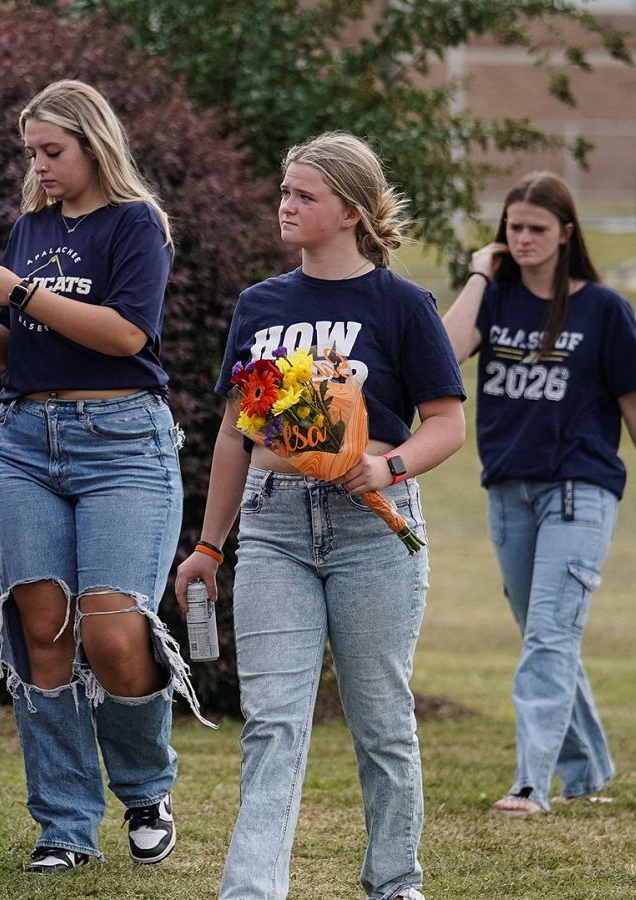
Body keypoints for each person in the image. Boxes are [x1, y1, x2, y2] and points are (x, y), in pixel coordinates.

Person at [174, 131, 465, 900]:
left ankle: (395, 881)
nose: (285, 206)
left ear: (351, 211)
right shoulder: (260, 305)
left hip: (373, 524)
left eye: (304, 195)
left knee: (379, 719)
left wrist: (387, 465)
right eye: (284, 192)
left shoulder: (402, 304)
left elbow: (445, 422)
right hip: (273, 528)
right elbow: (238, 433)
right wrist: (209, 545)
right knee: (272, 719)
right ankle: (252, 888)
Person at [0, 79, 206, 874]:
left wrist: (20, 290)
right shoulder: (29, 228)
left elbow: (127, 334)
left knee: (113, 626)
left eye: (52, 151)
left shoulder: (137, 226)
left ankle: (145, 788)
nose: (41, 166)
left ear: (95, 144)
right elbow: (16, 353)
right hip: (25, 438)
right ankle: (64, 826)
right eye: (32, 153)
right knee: (43, 632)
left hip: (123, 442)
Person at [441, 171, 636, 816]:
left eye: (537, 229)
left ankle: (529, 785)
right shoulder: (496, 299)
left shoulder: (603, 309)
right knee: (546, 637)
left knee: (549, 637)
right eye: (513, 228)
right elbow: (443, 352)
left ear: (566, 233)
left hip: (580, 491)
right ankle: (589, 770)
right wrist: (479, 275)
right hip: (508, 492)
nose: (522, 239)